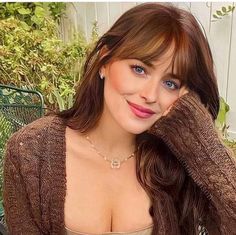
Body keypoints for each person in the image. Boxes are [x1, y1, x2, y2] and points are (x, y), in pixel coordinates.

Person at [3, 3, 236, 235]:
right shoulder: (31, 152)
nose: (150, 95)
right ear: (105, 61)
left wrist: (203, 143)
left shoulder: (177, 159)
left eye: (170, 83)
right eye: (139, 69)